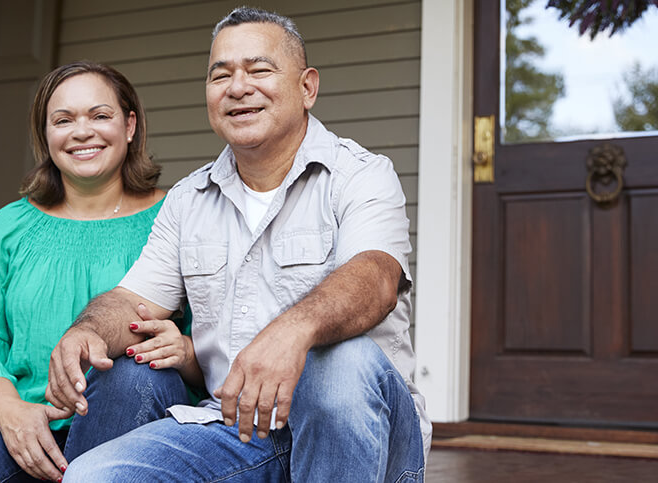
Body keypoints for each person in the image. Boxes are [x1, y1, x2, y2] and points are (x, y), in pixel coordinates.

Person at [49, 7, 430, 482]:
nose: (237, 87)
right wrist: (87, 331)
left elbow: (375, 277)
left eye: (260, 69)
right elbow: (132, 302)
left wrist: (293, 331)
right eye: (220, 75)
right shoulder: (189, 200)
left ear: (307, 87)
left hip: (364, 436)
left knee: (340, 361)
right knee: (94, 476)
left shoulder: (361, 175)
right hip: (239, 432)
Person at [0, 61, 201, 482]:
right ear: (45, 135)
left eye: (100, 115)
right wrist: (12, 413)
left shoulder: (179, 217)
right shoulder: (8, 228)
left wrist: (187, 351)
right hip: (28, 413)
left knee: (136, 376)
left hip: (138, 417)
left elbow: (218, 345)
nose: (81, 132)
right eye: (63, 120)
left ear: (130, 125)